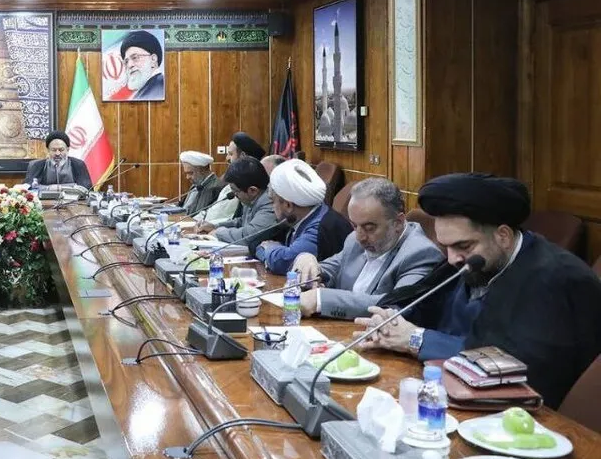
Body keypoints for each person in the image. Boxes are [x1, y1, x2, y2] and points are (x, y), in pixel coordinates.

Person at [355, 173, 601, 408]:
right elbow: (423, 301)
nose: (452, 258)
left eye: (463, 245)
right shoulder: (471, 260)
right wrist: (390, 321)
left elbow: (515, 366)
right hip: (446, 391)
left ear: (503, 236)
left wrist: (415, 339)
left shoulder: (556, 279)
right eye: (446, 246)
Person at [293, 178, 442, 320]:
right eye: (354, 225)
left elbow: (397, 305)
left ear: (397, 222)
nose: (360, 237)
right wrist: (307, 261)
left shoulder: (421, 254)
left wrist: (320, 299)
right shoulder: (354, 239)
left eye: (369, 228)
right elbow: (331, 269)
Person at [256, 158, 353, 275]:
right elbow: (258, 247)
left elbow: (283, 262)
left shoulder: (319, 227)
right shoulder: (308, 215)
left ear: (288, 205)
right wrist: (270, 252)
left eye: (272, 202)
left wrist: (268, 248)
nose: (272, 208)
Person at [197, 157, 280, 252]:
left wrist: (218, 232)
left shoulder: (270, 204)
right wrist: (215, 226)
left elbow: (247, 236)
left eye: (236, 191)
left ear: (252, 190)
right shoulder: (253, 199)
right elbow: (241, 222)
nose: (235, 195)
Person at [24, 130, 92, 188]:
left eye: (61, 150)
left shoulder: (78, 164)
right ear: (48, 150)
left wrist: (59, 188)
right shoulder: (36, 165)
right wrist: (49, 188)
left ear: (67, 149)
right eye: (54, 150)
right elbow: (28, 188)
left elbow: (86, 189)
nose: (57, 153)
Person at [118, 30, 165, 101]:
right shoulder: (147, 90)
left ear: (153, 59)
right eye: (126, 61)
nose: (129, 65)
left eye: (135, 58)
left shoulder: (158, 90)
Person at [179, 151, 219, 216]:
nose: (187, 177)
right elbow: (186, 208)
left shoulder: (214, 187)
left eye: (190, 173)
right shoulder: (196, 185)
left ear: (202, 170)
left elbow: (199, 215)